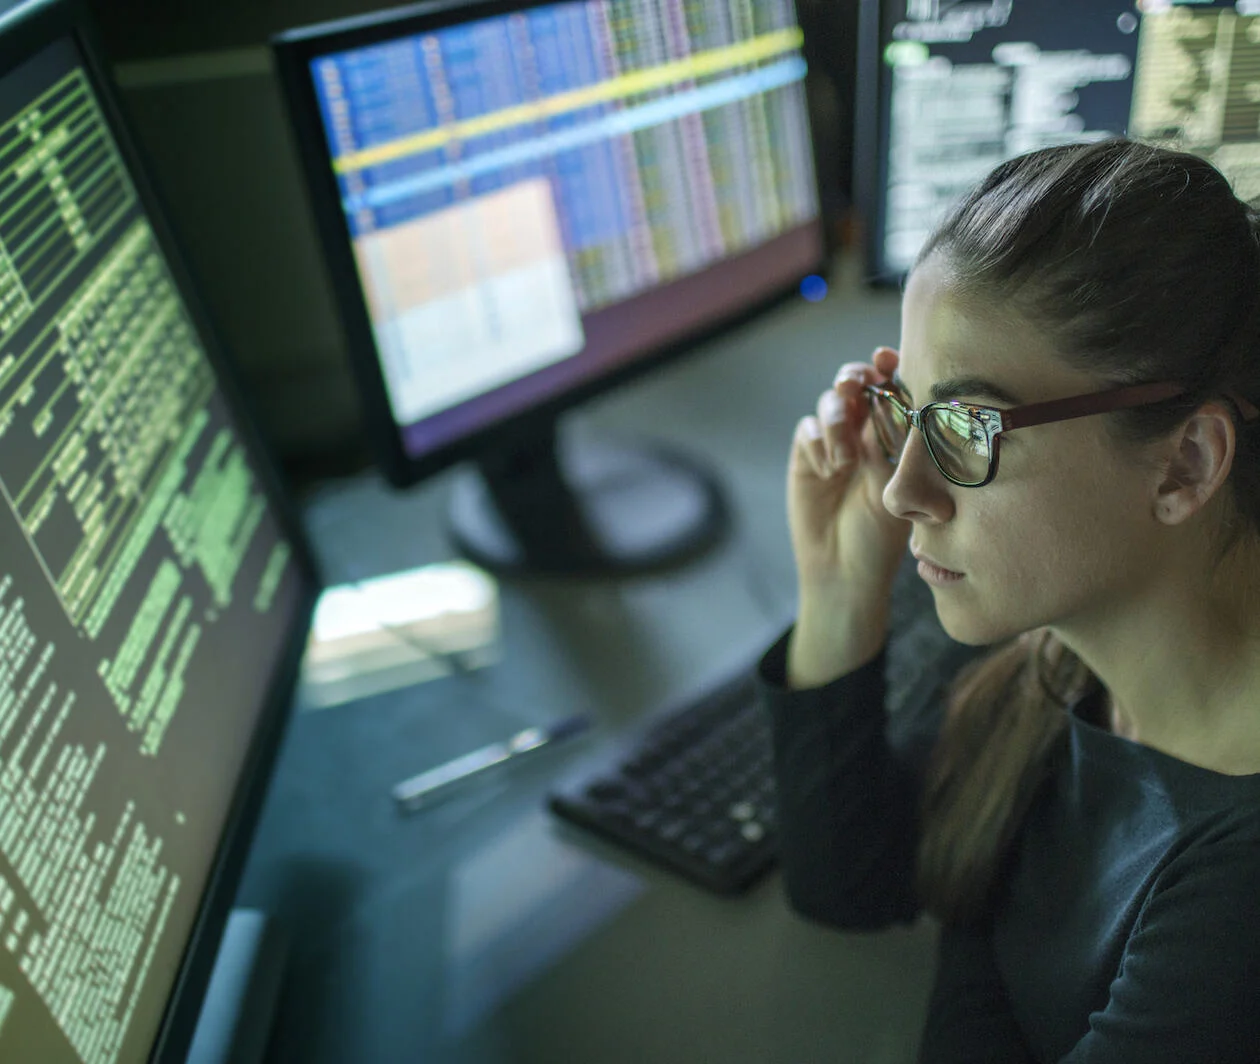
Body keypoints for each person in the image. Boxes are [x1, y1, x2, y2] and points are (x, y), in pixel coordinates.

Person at [758, 136, 1260, 1063]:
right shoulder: (1060, 650)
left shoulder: (1237, 909)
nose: (903, 490)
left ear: (1184, 464)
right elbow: (850, 882)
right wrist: (840, 590)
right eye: (904, 411)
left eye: (968, 426)